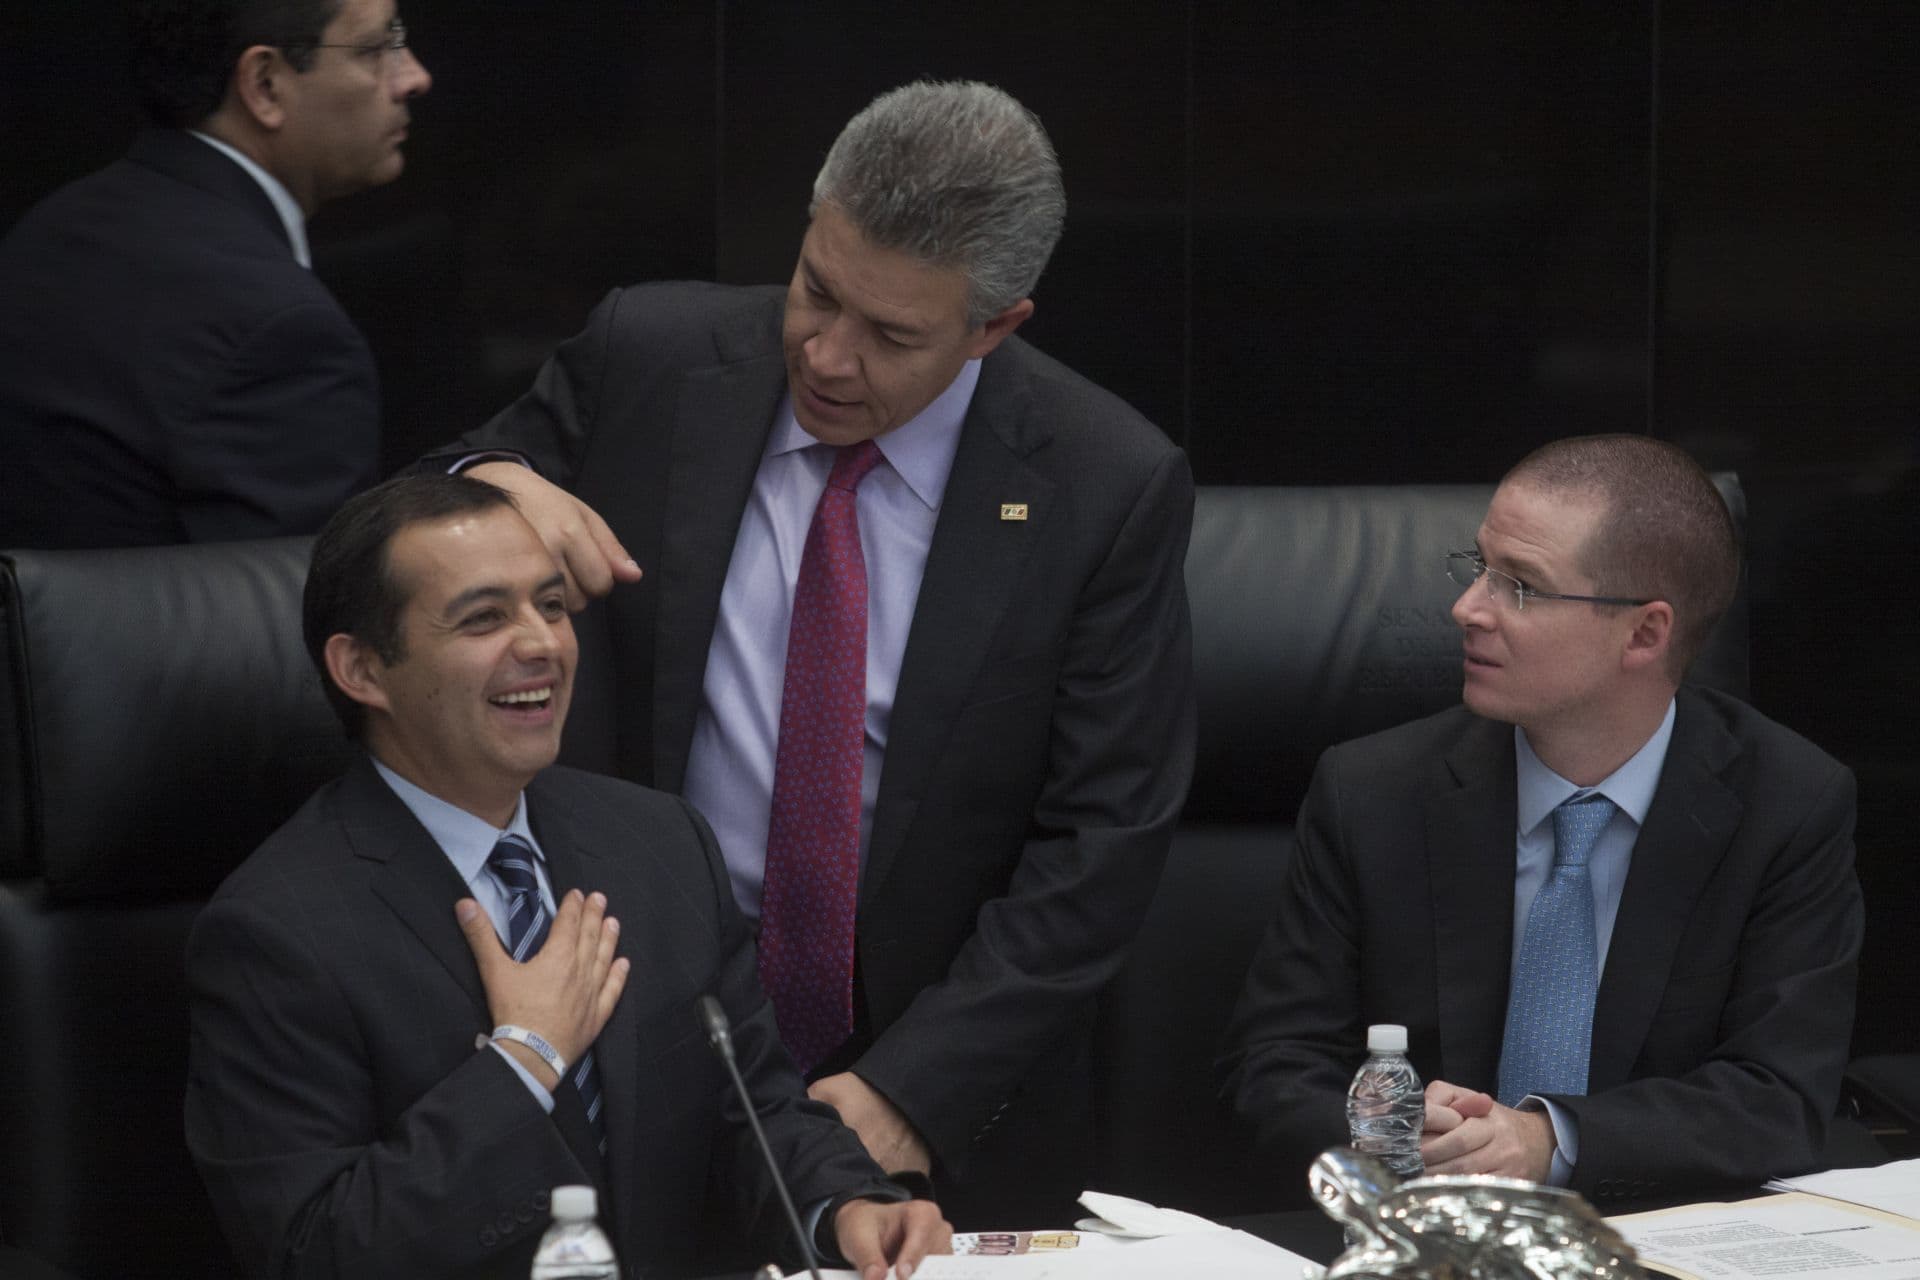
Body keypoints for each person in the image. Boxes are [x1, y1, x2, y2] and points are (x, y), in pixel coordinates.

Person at [439, 80, 1196, 1222]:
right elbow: (406, 518)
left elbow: (1104, 839)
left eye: (891, 335)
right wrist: (492, 484)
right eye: (817, 291)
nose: (829, 357)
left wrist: (915, 1090)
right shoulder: (649, 354)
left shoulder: (1105, 483)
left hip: (914, 1068)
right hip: (630, 1022)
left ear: (995, 328)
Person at [184, 473, 950, 1279]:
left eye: (550, 606)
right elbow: (316, 1253)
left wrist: (844, 1206)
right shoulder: (277, 932)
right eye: (484, 618)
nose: (543, 643)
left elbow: (752, 1107)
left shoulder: (658, 843)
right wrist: (524, 1061)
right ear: (364, 670)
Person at [1220, 434, 1862, 1205]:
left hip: (1653, 1234)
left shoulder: (1787, 805)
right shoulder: (1372, 792)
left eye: (1520, 587)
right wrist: (1390, 1132)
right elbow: (1275, 1066)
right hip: (1424, 1230)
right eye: (1479, 567)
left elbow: (1777, 1099)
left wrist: (1548, 1141)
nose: (1467, 609)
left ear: (1645, 633)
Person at [0, 0, 429, 548]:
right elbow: (301, 596)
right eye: (375, 49)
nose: (414, 77)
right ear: (265, 85)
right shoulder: (280, 332)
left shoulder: (53, 226)